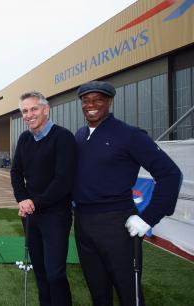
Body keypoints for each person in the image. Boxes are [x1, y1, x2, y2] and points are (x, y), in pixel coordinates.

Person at [73, 80, 182, 306]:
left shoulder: (130, 135)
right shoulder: (80, 135)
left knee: (128, 293)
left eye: (98, 100)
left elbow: (171, 175)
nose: (91, 105)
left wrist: (148, 218)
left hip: (117, 225)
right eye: (86, 101)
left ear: (110, 101)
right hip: (83, 224)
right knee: (98, 292)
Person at [10, 91, 76, 306]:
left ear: (46, 110)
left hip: (55, 215)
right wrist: (22, 199)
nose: (29, 115)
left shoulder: (63, 137)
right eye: (25, 111)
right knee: (40, 273)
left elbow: (63, 181)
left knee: (54, 274)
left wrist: (34, 203)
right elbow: (16, 172)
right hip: (30, 215)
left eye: (34, 109)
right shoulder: (24, 138)